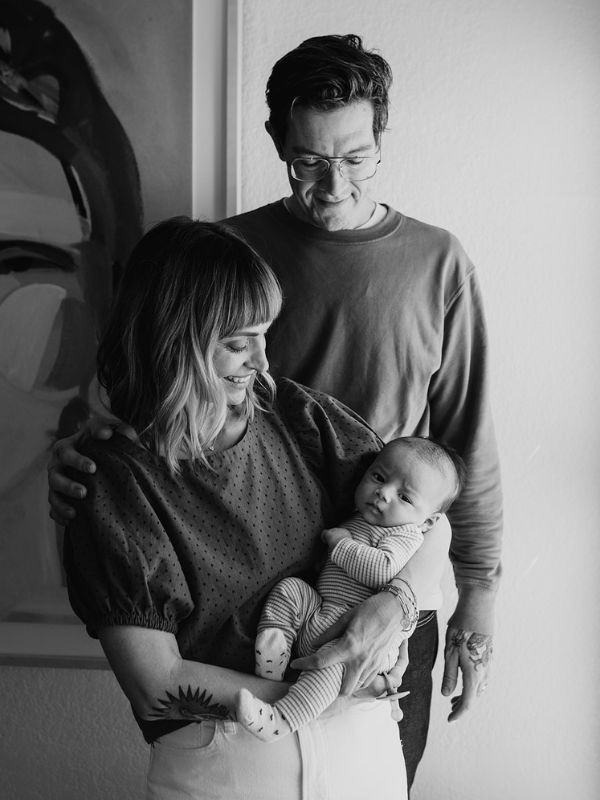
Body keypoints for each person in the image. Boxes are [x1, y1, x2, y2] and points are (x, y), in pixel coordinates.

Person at [48, 34, 502, 789]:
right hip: (239, 674)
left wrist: (462, 600)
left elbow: (464, 453)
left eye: (355, 158)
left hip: (393, 589)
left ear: (380, 139)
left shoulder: (436, 264)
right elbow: (133, 394)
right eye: (309, 161)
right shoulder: (225, 259)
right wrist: (81, 458)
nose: (333, 183)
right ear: (279, 145)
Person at [62, 216, 449, 800]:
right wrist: (321, 691)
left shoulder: (298, 418)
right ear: (173, 341)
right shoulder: (116, 478)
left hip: (360, 749)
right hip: (229, 763)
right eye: (237, 344)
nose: (262, 362)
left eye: (265, 335)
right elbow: (155, 683)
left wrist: (395, 606)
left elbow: (430, 524)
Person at [236, 436, 466, 743]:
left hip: (360, 638)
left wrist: (340, 545)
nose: (383, 493)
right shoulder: (361, 517)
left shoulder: (406, 535)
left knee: (332, 672)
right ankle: (274, 655)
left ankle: (281, 720)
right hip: (321, 612)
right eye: (379, 477)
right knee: (291, 591)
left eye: (405, 497)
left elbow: (381, 569)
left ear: (429, 522)